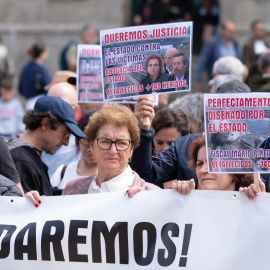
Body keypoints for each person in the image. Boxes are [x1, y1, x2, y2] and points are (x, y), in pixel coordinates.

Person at [130, 80, 251, 188]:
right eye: (199, 163)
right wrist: (144, 130)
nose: (230, 113)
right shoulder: (184, 146)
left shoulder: (262, 150)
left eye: (239, 109)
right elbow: (145, 175)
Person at [62, 103, 160, 195]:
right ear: (92, 147)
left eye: (121, 143)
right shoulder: (72, 190)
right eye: (105, 141)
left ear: (131, 150)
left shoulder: (151, 194)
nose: (113, 151)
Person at [7, 96, 85, 196]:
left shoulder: (23, 153)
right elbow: (25, 209)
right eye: (65, 134)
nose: (66, 143)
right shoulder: (21, 161)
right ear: (45, 124)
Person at [170, 133, 256, 194]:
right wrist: (178, 197)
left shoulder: (251, 207)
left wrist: (261, 204)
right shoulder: (187, 203)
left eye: (213, 163)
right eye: (199, 164)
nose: (203, 170)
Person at [50, 109, 99, 191]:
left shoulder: (114, 175)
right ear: (78, 141)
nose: (91, 148)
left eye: (96, 141)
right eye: (85, 140)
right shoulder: (63, 172)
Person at [42, 82, 82, 178]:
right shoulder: (33, 139)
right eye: (49, 105)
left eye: (63, 106)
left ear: (76, 110)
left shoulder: (82, 144)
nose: (54, 112)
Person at [194, 21, 241, 91]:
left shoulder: (235, 43)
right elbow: (203, 60)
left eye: (234, 32)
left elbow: (240, 59)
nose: (232, 34)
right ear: (223, 31)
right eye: (230, 32)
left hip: (234, 80)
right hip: (218, 79)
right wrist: (198, 79)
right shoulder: (212, 43)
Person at [152, 107, 189, 189]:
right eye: (159, 143)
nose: (165, 149)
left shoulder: (194, 170)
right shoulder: (144, 168)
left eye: (172, 144)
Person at [18, 41, 52, 110]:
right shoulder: (42, 69)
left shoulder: (25, 67)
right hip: (40, 104)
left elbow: (20, 88)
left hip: (28, 103)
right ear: (41, 53)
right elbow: (49, 88)